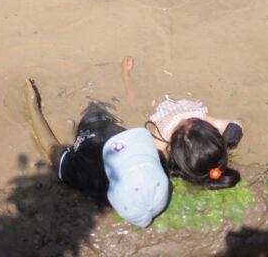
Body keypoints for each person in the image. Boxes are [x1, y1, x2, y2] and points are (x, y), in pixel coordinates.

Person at [24, 78, 169, 227]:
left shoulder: (85, 174)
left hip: (86, 119)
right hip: (111, 118)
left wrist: (32, 106)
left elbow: (51, 148)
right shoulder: (158, 162)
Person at [121, 56, 242, 190]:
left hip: (161, 106)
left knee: (136, 103)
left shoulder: (160, 137)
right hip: (179, 100)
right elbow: (238, 125)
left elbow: (134, 100)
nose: (183, 119)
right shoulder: (203, 119)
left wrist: (125, 75)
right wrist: (229, 141)